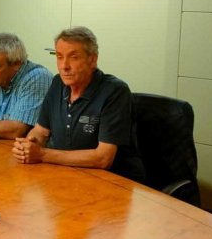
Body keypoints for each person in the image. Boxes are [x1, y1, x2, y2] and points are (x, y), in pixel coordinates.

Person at [11, 27, 145, 183]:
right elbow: (40, 131)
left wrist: (42, 154)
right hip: (68, 175)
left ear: (92, 60)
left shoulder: (115, 91)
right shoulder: (58, 83)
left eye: (73, 57)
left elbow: (103, 158)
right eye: (59, 57)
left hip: (114, 182)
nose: (64, 66)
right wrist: (28, 145)